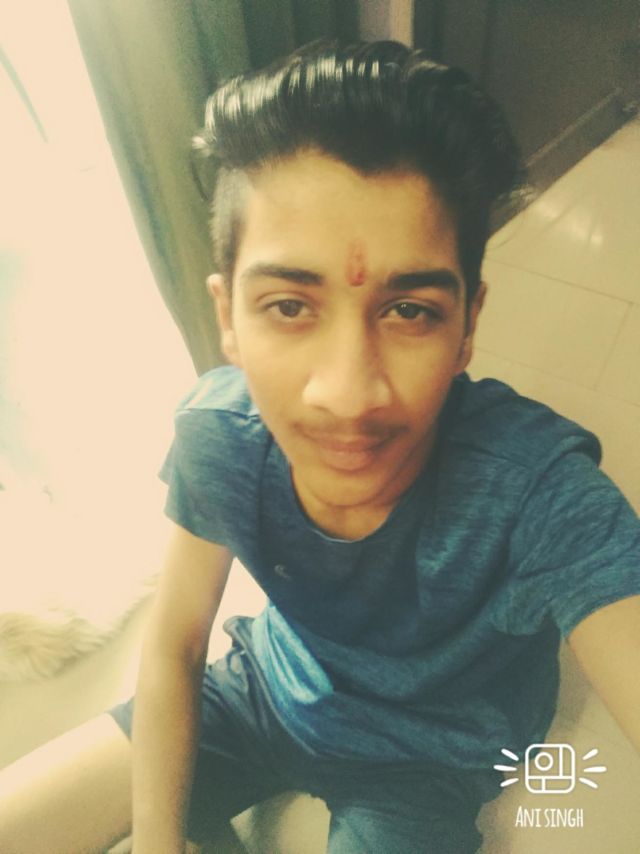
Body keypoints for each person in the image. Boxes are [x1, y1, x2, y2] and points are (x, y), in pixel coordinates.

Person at [1, 39, 639, 854]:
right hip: (268, 690)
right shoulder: (222, 436)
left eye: (409, 311)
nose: (347, 394)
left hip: (428, 759)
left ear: (468, 324)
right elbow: (177, 639)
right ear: (228, 317)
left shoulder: (538, 493)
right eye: (290, 307)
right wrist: (159, 839)